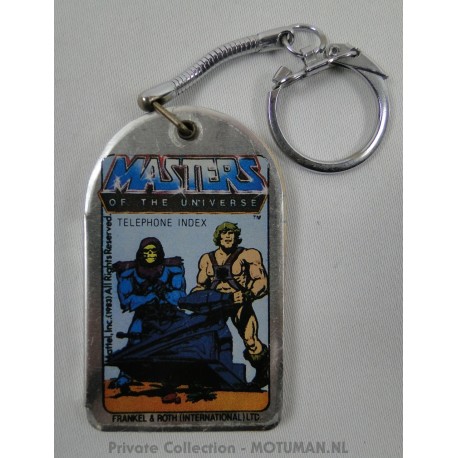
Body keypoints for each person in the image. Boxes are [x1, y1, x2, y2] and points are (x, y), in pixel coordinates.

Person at [192, 222, 269, 387]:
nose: (228, 236)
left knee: (250, 340)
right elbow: (200, 286)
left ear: (236, 236)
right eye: (224, 233)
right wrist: (194, 297)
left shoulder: (248, 255)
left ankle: (264, 372)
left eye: (231, 233)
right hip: (216, 305)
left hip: (240, 303)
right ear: (218, 237)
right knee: (205, 338)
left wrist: (249, 294)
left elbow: (262, 282)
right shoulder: (207, 259)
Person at [111, 237, 186, 390]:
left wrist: (165, 294)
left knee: (175, 344)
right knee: (135, 340)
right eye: (147, 251)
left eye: (153, 251)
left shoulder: (174, 271)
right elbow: (126, 301)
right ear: (141, 253)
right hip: (144, 314)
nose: (150, 254)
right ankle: (125, 376)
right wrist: (148, 298)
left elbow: (181, 296)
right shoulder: (128, 273)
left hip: (168, 314)